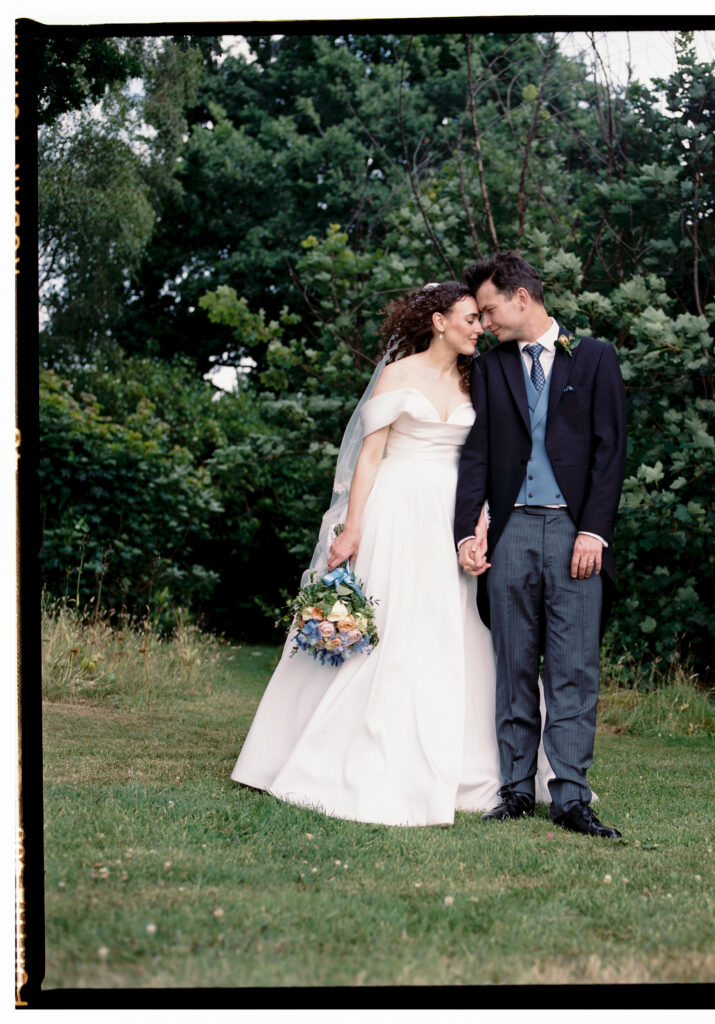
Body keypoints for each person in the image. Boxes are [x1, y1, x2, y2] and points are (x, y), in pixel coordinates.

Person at [230, 281, 554, 826]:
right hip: (396, 511)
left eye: (481, 318)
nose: (480, 327)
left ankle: (467, 761)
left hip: (452, 514)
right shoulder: (397, 375)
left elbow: (488, 460)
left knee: (452, 628)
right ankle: (329, 747)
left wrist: (480, 524)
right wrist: (352, 527)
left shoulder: (479, 379)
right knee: (386, 625)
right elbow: (371, 455)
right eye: (470, 318)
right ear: (438, 321)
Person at [453, 251, 628, 839]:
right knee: (514, 668)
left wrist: (595, 530)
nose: (485, 322)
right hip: (512, 532)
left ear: (521, 297)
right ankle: (513, 790)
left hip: (576, 531)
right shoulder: (491, 368)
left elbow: (610, 452)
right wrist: (465, 530)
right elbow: (475, 456)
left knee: (574, 669)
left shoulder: (596, 358)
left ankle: (572, 799)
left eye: (490, 309)